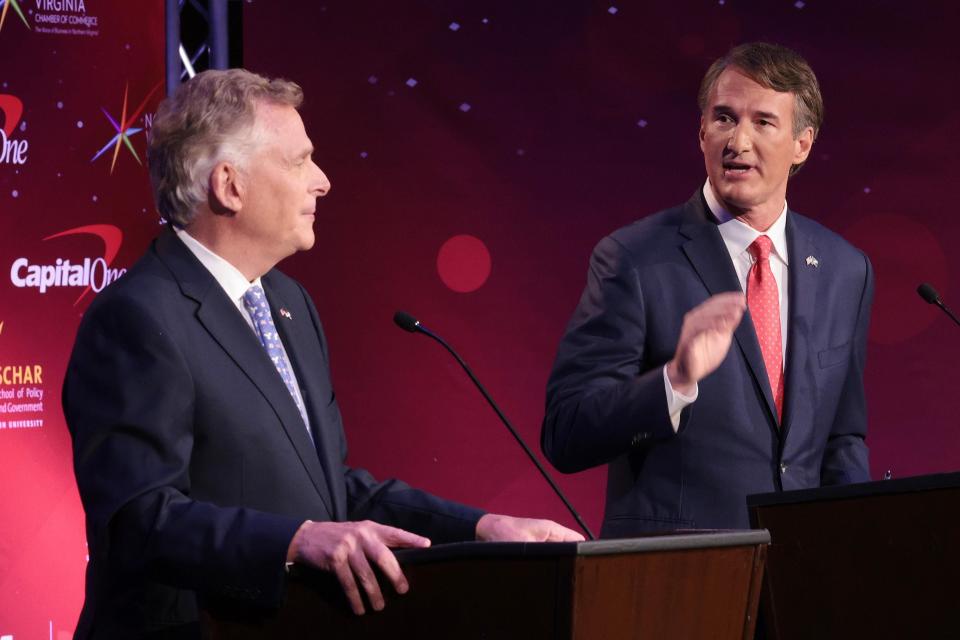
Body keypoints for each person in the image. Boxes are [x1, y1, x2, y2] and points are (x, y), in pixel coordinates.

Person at [63, 68, 582, 639]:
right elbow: (138, 519)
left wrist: (482, 529)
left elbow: (335, 492)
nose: (323, 181)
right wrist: (293, 541)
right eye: (298, 160)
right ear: (229, 185)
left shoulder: (288, 302)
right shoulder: (137, 316)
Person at [541, 42, 873, 538]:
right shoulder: (634, 258)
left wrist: (850, 541)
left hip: (795, 581)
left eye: (763, 122)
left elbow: (842, 437)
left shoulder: (845, 269)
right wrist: (674, 380)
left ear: (802, 144)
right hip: (678, 581)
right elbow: (566, 432)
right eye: (723, 118)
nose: (737, 140)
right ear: (701, 132)